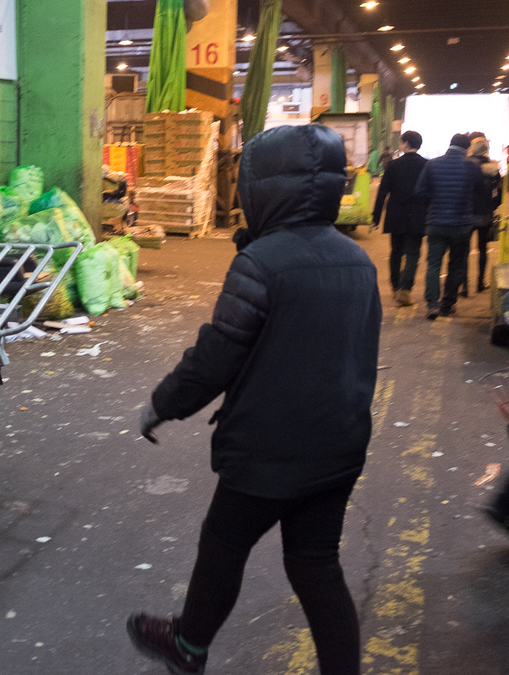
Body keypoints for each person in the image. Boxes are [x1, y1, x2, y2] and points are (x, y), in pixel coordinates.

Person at [129, 125, 381, 675]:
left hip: (268, 450)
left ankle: (188, 645)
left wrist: (162, 404)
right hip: (338, 444)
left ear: (263, 188)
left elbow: (217, 356)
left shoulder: (262, 262)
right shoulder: (358, 261)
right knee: (316, 564)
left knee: (223, 543)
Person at [414, 133, 483, 319]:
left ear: (450, 145)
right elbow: (480, 190)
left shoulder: (432, 164)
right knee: (457, 265)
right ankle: (448, 303)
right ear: (467, 148)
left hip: (436, 223)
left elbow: (420, 192)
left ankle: (432, 305)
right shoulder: (472, 166)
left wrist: (435, 203)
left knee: (434, 265)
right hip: (461, 225)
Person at [372, 130, 429, 306]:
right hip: (418, 216)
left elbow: (382, 193)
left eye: (401, 142)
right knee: (413, 253)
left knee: (396, 252)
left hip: (396, 215)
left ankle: (395, 286)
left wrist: (375, 217)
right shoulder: (426, 165)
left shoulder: (393, 165)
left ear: (405, 143)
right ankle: (406, 289)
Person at [468, 136, 502, 293]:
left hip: (467, 213)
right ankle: (480, 282)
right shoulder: (493, 168)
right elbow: (499, 192)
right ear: (486, 150)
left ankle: (463, 286)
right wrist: (493, 206)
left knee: (463, 250)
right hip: (485, 213)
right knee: (482, 248)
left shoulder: (467, 165)